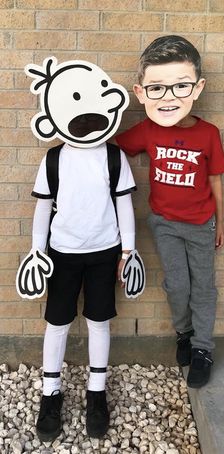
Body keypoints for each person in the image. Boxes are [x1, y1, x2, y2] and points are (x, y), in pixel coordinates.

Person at [16, 58, 138, 442]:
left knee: (100, 320)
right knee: (57, 322)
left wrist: (128, 252)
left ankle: (96, 392)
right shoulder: (53, 159)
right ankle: (50, 393)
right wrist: (37, 251)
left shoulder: (114, 157)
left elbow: (124, 205)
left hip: (105, 252)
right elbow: (41, 207)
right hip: (62, 253)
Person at [115, 35, 224, 388]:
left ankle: (202, 349)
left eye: (180, 86)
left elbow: (215, 180)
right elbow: (113, 144)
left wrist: (220, 222)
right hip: (164, 224)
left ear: (197, 88)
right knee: (177, 285)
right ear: (142, 92)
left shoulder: (209, 133)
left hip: (201, 224)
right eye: (158, 89)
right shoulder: (148, 130)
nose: (170, 98)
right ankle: (184, 331)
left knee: (204, 288)